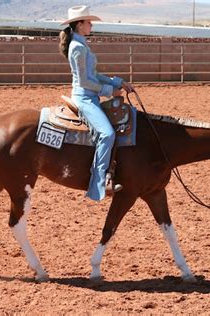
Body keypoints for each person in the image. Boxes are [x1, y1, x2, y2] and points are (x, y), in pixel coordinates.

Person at [59, 5, 134, 201]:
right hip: (84, 98)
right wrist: (109, 91)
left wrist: (117, 82)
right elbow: (85, 81)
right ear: (80, 25)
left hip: (89, 95)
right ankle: (98, 183)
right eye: (89, 22)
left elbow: (94, 75)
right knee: (107, 134)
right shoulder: (77, 48)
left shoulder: (81, 45)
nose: (91, 25)